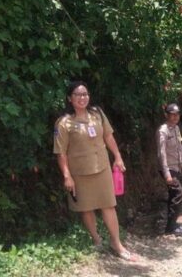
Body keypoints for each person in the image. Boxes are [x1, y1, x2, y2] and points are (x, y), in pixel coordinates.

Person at [53, 81, 137, 261]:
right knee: (86, 208)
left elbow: (108, 136)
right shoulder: (64, 123)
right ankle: (97, 240)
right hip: (79, 173)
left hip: (102, 168)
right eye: (77, 94)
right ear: (69, 98)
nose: (82, 98)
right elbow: (61, 153)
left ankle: (116, 244)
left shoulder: (97, 114)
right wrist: (67, 176)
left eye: (85, 94)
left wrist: (118, 157)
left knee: (109, 205)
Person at [158, 103, 182, 236]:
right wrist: (167, 174)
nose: (175, 117)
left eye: (177, 114)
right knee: (179, 194)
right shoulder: (163, 131)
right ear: (166, 115)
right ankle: (170, 227)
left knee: (174, 195)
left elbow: (180, 149)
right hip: (168, 168)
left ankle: (171, 224)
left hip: (176, 167)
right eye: (172, 114)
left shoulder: (176, 128)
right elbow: (161, 154)